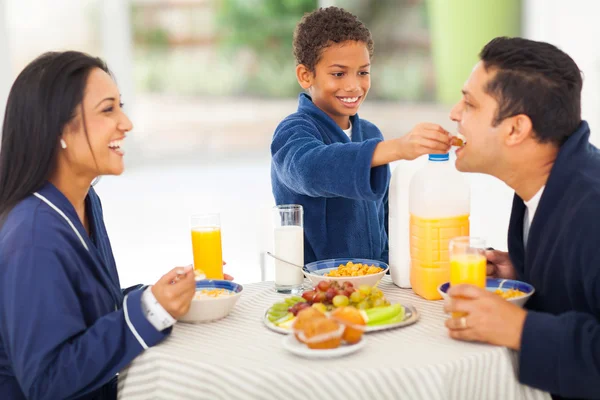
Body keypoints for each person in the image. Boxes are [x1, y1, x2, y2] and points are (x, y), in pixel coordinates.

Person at [0, 51, 199, 399]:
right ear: (60, 127)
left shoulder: (85, 201)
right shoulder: (33, 237)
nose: (126, 123)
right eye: (108, 110)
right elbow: (46, 381)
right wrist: (150, 311)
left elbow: (85, 313)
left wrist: (160, 296)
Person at [443, 37, 600, 400]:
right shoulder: (548, 184)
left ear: (515, 129)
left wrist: (520, 329)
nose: (454, 113)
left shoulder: (593, 210)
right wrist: (524, 274)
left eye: (469, 103)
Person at [270, 6, 452, 264]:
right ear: (305, 75)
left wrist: (390, 266)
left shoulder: (369, 133)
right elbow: (309, 169)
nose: (354, 85)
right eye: (338, 74)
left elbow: (386, 215)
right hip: (314, 285)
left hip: (374, 279)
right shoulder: (292, 131)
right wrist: (397, 148)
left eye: (363, 72)